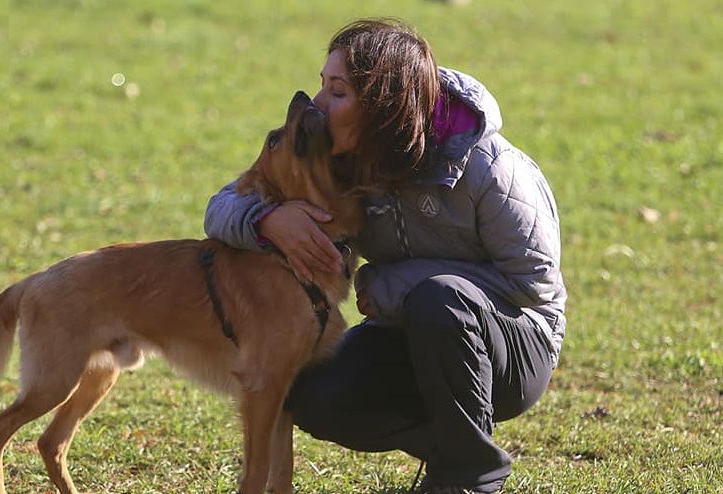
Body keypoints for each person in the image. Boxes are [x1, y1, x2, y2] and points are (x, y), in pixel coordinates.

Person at [204, 18, 566, 494]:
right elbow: (220, 208)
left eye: (338, 91)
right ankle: (461, 449)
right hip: (406, 336)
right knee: (312, 395)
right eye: (322, 84)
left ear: (382, 104)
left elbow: (531, 285)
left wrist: (391, 285)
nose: (318, 103)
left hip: (514, 349)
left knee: (440, 300)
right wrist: (266, 222)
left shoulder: (492, 169)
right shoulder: (342, 158)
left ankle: (469, 478)